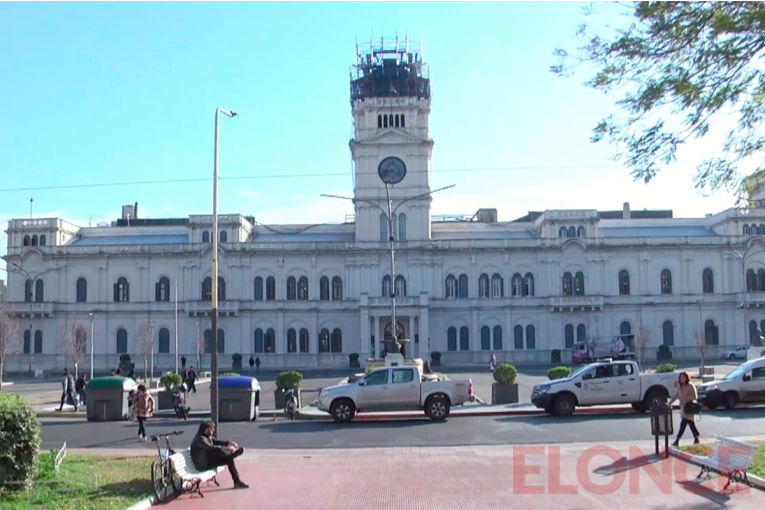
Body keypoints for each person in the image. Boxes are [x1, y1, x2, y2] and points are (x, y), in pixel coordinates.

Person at [190, 421, 249, 489]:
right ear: (207, 429)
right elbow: (210, 447)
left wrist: (228, 443)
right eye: (212, 428)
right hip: (202, 465)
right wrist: (227, 449)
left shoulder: (206, 436)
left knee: (229, 459)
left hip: (207, 460)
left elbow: (216, 442)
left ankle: (237, 482)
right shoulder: (200, 439)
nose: (213, 430)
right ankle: (232, 455)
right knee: (218, 450)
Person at [669, 371, 700, 446]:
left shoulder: (690, 386)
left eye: (684, 377)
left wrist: (686, 398)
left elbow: (695, 397)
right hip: (683, 408)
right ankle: (696, 438)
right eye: (681, 377)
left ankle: (677, 440)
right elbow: (675, 396)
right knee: (691, 424)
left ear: (687, 378)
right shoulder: (679, 386)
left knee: (683, 424)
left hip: (689, 408)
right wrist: (669, 403)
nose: (682, 379)